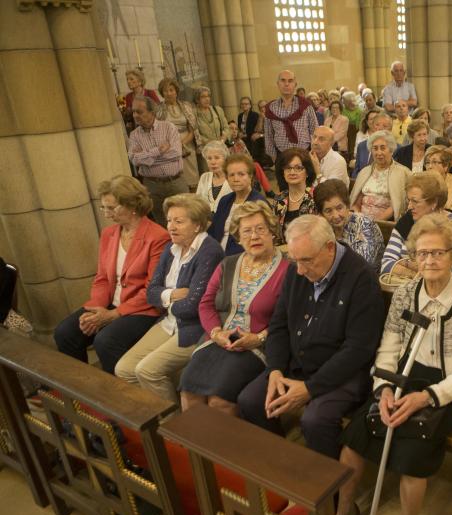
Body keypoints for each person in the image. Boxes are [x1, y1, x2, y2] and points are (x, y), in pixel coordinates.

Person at [337, 212, 452, 515]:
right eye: (422, 253)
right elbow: (389, 349)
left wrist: (426, 398)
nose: (430, 260)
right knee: (355, 437)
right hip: (402, 376)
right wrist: (384, 389)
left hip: (448, 387)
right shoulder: (405, 294)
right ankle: (344, 514)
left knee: (412, 453)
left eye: (438, 252)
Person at [237, 215, 385, 459]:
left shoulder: (361, 278)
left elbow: (358, 349)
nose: (300, 270)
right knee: (251, 400)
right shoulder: (298, 269)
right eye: (295, 260)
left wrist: (310, 388)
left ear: (329, 247)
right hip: (300, 362)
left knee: (315, 420)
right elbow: (279, 325)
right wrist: (275, 369)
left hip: (344, 372)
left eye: (306, 260)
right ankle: (280, 462)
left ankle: (329, 489)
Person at [179, 201, 289, 415]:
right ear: (238, 237)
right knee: (188, 390)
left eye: (260, 229)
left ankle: (225, 448)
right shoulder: (228, 263)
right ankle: (195, 447)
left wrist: (258, 338)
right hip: (217, 340)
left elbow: (287, 320)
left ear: (272, 232)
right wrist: (216, 333)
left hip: (257, 346)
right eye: (246, 231)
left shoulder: (288, 270)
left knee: (220, 401)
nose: (254, 236)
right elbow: (206, 303)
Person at [115, 194, 224, 403]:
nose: (171, 227)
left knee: (147, 371)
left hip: (195, 328)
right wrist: (173, 295)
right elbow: (151, 292)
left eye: (179, 221)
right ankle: (159, 409)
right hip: (168, 323)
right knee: (124, 369)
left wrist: (165, 300)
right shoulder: (171, 248)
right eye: (169, 220)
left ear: (197, 225)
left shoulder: (210, 251)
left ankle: (172, 424)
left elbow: (193, 307)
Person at [54, 177, 169, 373]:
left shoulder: (158, 237)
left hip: (142, 308)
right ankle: (82, 390)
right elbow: (101, 278)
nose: (106, 214)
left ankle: (118, 396)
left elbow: (152, 289)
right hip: (108, 303)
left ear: (132, 205)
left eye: (111, 208)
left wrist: (114, 314)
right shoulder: (109, 234)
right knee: (65, 332)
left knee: (105, 341)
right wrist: (95, 310)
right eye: (103, 208)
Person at [381, 172, 452, 276]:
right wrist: (411, 271)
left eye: (415, 201)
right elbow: (386, 264)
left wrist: (402, 264)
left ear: (434, 202)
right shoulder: (407, 220)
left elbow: (446, 270)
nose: (409, 206)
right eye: (409, 200)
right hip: (402, 285)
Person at [127, 95, 187, 227]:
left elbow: (176, 153)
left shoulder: (168, 128)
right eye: (133, 112)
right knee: (162, 225)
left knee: (186, 219)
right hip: (152, 186)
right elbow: (134, 160)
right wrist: (158, 151)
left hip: (175, 182)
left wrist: (146, 158)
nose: (135, 115)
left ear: (151, 112)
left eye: (139, 111)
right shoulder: (134, 135)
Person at [314, 180, 385, 271]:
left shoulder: (365, 225)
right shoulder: (322, 230)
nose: (336, 216)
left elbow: (362, 266)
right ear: (321, 214)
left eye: (339, 208)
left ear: (347, 206)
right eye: (328, 211)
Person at [208, 154, 267, 255]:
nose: (236, 179)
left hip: (242, 258)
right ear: (226, 178)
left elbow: (258, 241)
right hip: (217, 256)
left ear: (250, 176)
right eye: (231, 175)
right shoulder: (225, 200)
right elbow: (213, 232)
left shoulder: (258, 203)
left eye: (241, 174)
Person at [351, 130, 411, 221]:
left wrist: (375, 222)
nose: (379, 153)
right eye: (375, 148)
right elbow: (356, 202)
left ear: (391, 150)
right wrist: (359, 217)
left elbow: (397, 205)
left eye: (383, 148)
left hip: (385, 224)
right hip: (361, 221)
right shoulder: (365, 172)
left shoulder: (403, 173)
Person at [263, 70, 319, 166]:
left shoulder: (305, 105)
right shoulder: (271, 108)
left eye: (290, 81)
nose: (286, 84)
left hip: (304, 153)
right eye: (283, 80)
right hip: (281, 155)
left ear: (295, 84)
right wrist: (273, 157)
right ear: (278, 84)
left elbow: (315, 130)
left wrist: (314, 152)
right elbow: (268, 134)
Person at [155, 78, 200, 189]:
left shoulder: (186, 106)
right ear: (162, 93)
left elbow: (192, 129)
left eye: (171, 90)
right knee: (177, 183)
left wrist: (181, 143)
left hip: (187, 146)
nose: (169, 93)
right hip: (169, 148)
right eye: (165, 91)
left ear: (176, 91)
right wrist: (173, 145)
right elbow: (157, 132)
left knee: (192, 181)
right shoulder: (158, 110)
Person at [272, 148, 317, 242]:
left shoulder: (316, 197)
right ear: (283, 173)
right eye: (288, 168)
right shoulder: (279, 199)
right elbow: (276, 235)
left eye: (298, 168)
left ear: (307, 172)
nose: (292, 172)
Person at [194, 86, 230, 173]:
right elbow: (196, 133)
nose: (207, 99)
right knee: (209, 177)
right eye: (203, 97)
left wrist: (222, 140)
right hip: (205, 151)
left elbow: (226, 128)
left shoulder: (217, 110)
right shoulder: (193, 113)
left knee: (224, 174)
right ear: (197, 99)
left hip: (220, 148)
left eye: (208, 96)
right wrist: (211, 143)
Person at [423, 146, 452, 213]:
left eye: (434, 162)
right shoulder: (420, 182)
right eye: (427, 162)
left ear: (446, 166)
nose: (430, 166)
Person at [195, 141, 233, 214]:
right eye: (209, 158)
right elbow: (197, 203)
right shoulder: (204, 177)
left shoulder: (232, 177)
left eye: (217, 158)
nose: (213, 162)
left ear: (225, 159)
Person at [352, 112, 392, 178]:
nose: (380, 128)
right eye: (377, 125)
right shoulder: (362, 146)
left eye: (384, 126)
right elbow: (356, 171)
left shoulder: (397, 149)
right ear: (372, 126)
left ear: (390, 129)